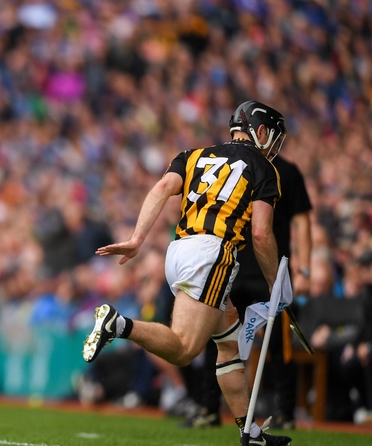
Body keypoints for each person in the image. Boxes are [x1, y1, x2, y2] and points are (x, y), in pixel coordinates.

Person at [83, 101, 292, 446]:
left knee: (228, 345)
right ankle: (118, 324)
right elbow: (260, 233)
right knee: (183, 350)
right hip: (212, 256)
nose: (274, 145)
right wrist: (275, 284)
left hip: (178, 251)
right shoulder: (263, 168)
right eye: (273, 135)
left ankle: (250, 433)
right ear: (261, 131)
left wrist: (137, 239)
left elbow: (162, 189)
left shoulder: (193, 154)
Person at [181, 152, 312, 429]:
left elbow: (301, 220)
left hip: (268, 270)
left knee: (278, 344)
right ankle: (209, 408)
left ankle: (285, 414)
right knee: (215, 339)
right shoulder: (233, 165)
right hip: (232, 266)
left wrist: (305, 269)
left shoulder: (286, 170)